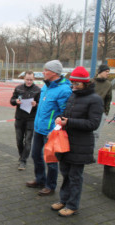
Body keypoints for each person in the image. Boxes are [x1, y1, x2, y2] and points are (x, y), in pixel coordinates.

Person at [51, 66, 103, 217]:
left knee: (75, 176)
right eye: (72, 83)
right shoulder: (73, 96)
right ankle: (64, 200)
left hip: (81, 145)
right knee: (66, 173)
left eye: (77, 83)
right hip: (66, 142)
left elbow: (93, 124)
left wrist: (69, 122)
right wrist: (60, 118)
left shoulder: (95, 99)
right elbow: (66, 113)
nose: (73, 86)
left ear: (86, 83)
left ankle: (72, 205)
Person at [26, 60, 72, 196]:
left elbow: (65, 113)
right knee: (35, 155)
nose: (43, 72)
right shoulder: (45, 87)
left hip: (51, 131)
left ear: (53, 72)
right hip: (39, 128)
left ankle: (50, 186)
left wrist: (55, 129)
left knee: (51, 160)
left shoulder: (64, 90)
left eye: (45, 70)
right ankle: (40, 179)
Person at [10, 71, 41, 170]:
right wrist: (16, 101)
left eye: (31, 80)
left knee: (28, 141)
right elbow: (12, 100)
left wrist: (35, 104)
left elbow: (41, 105)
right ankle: (21, 156)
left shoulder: (38, 90)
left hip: (31, 119)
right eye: (27, 79)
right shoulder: (18, 88)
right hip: (19, 118)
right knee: (19, 140)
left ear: (34, 79)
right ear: (24, 79)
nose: (29, 81)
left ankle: (23, 161)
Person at [92, 64, 112, 149]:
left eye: (108, 72)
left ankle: (91, 152)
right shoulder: (91, 82)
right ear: (100, 72)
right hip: (89, 111)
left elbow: (108, 99)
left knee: (96, 134)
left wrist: (105, 112)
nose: (108, 73)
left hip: (100, 112)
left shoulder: (108, 84)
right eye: (106, 71)